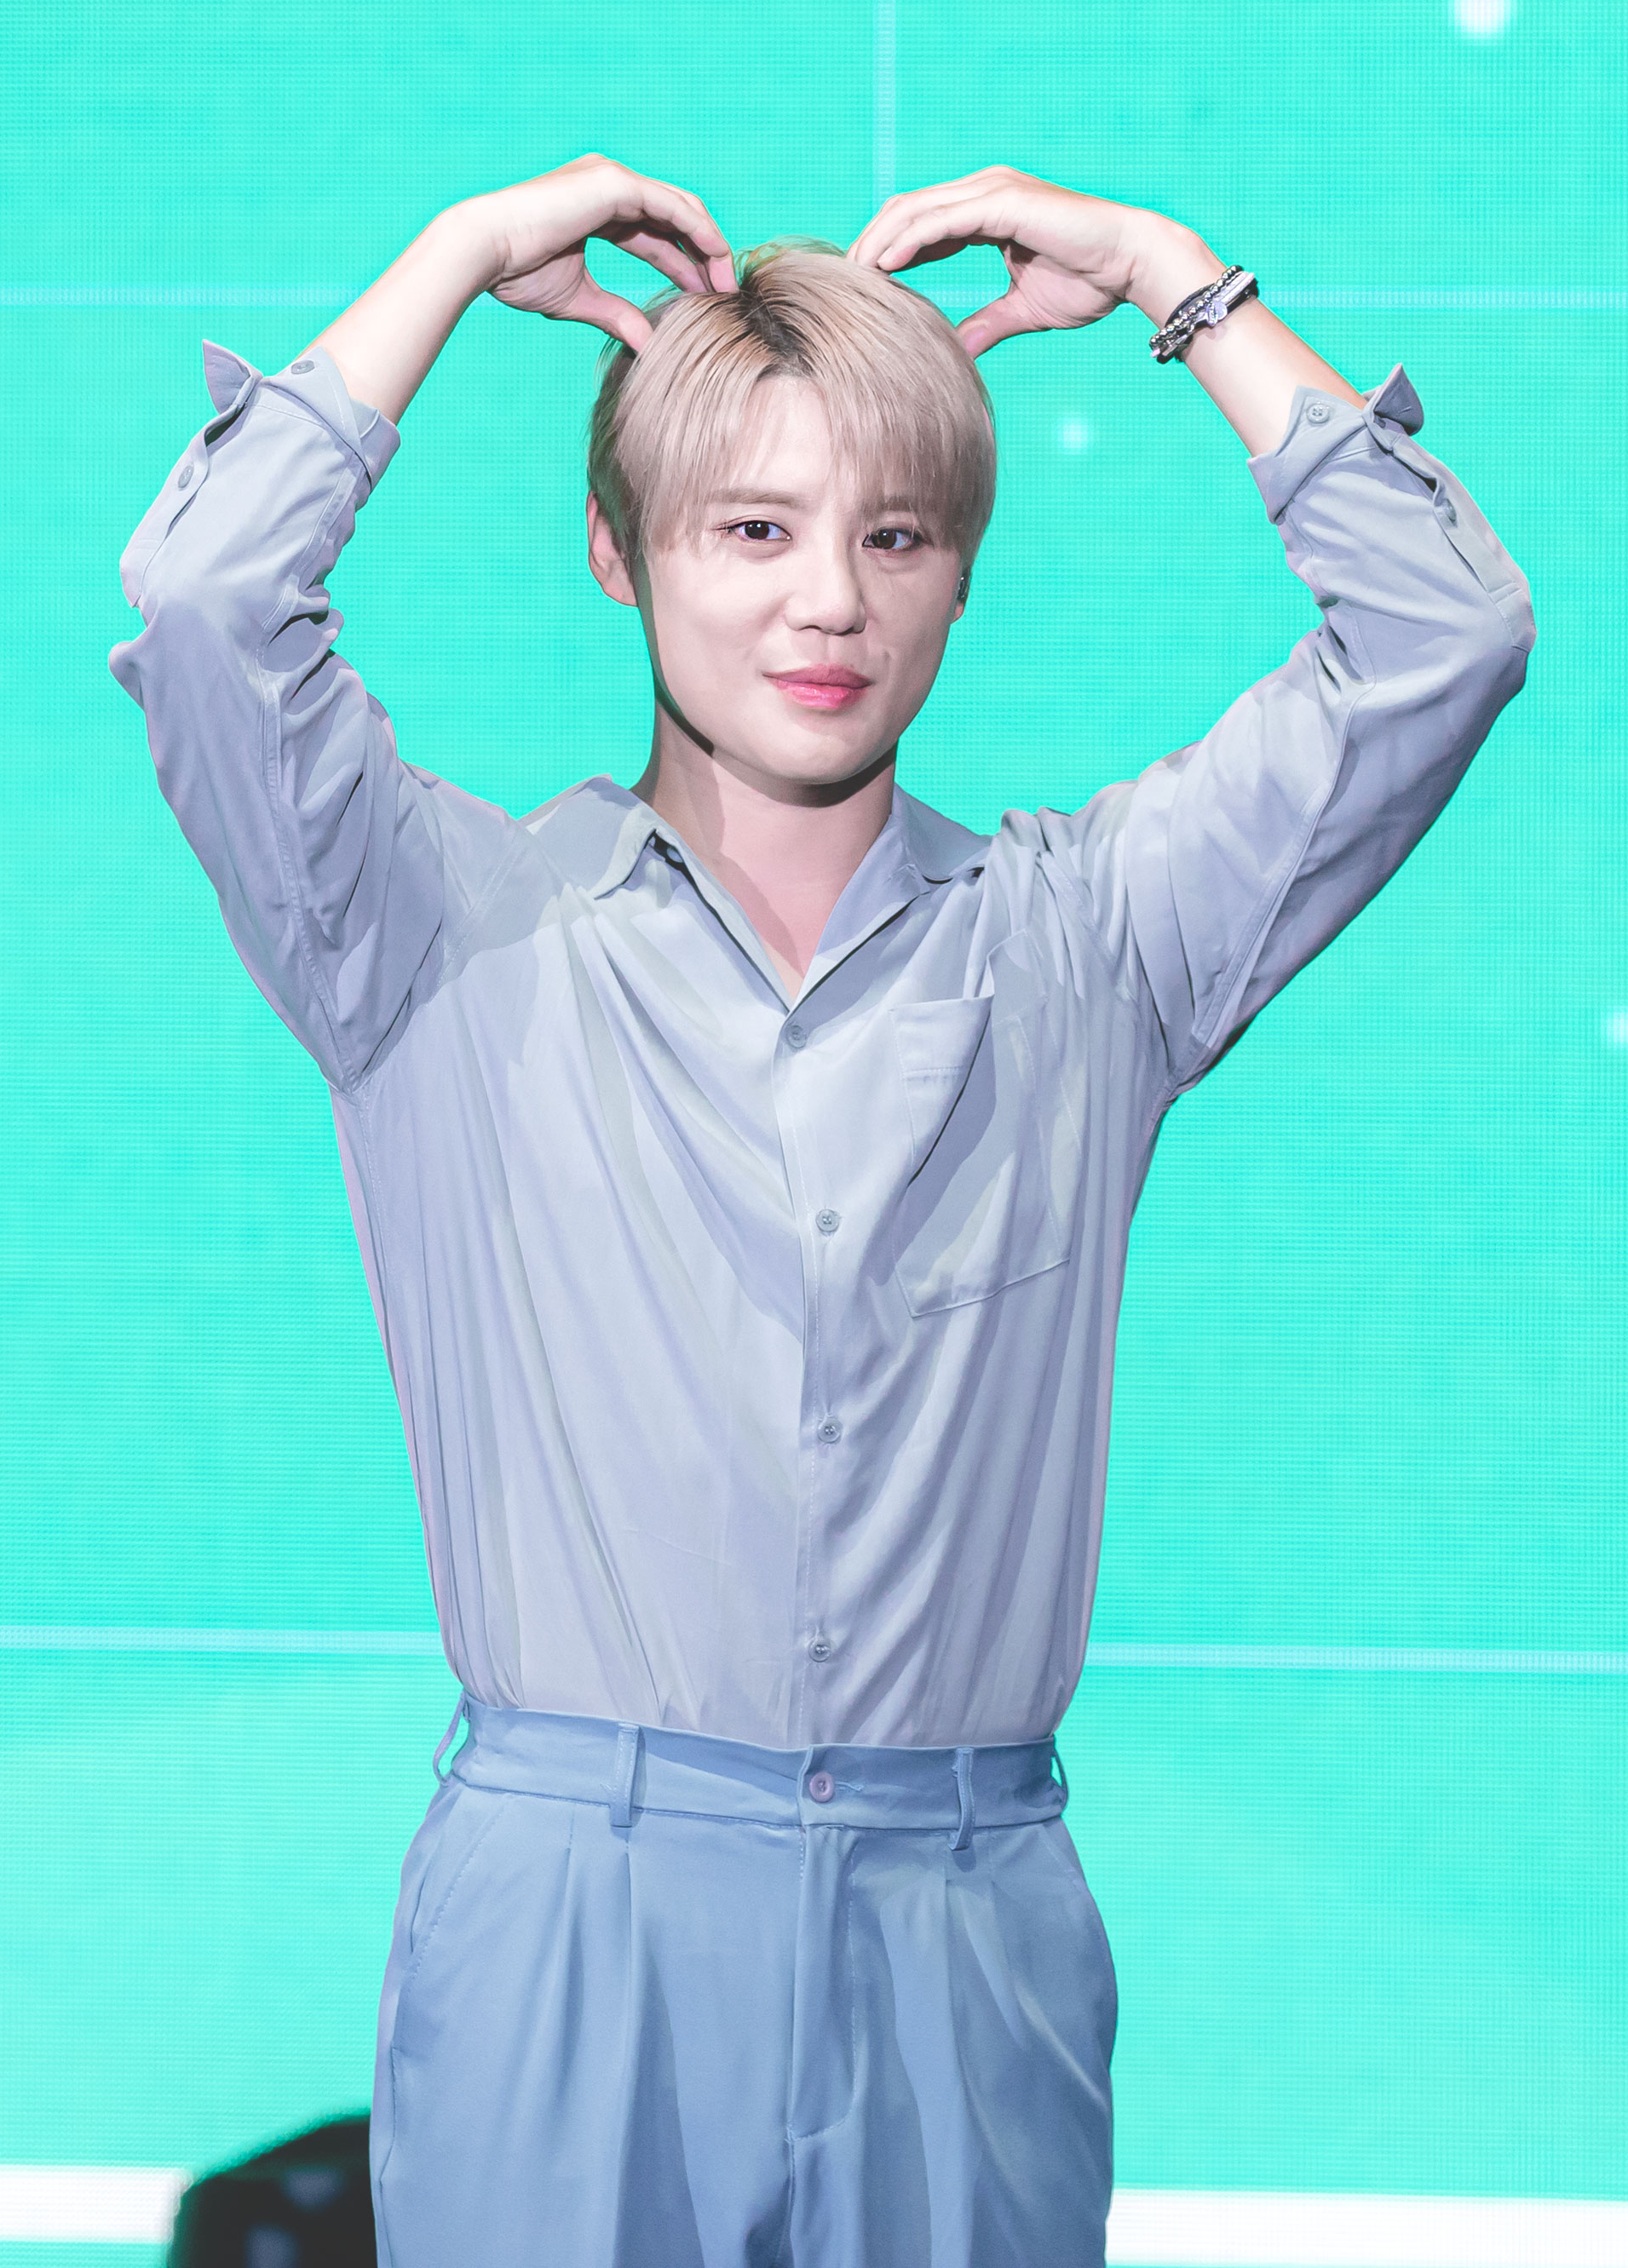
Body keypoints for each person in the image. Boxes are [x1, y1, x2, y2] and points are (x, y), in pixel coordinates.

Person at [110, 155, 1535, 2268]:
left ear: (961, 577)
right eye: (751, 530)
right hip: (571, 1913)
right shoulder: (431, 931)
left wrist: (1180, 284)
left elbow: (1444, 631)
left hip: (964, 1926)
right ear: (619, 551)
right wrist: (456, 257)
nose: (829, 604)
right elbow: (208, 607)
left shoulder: (1096, 941)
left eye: (896, 535)